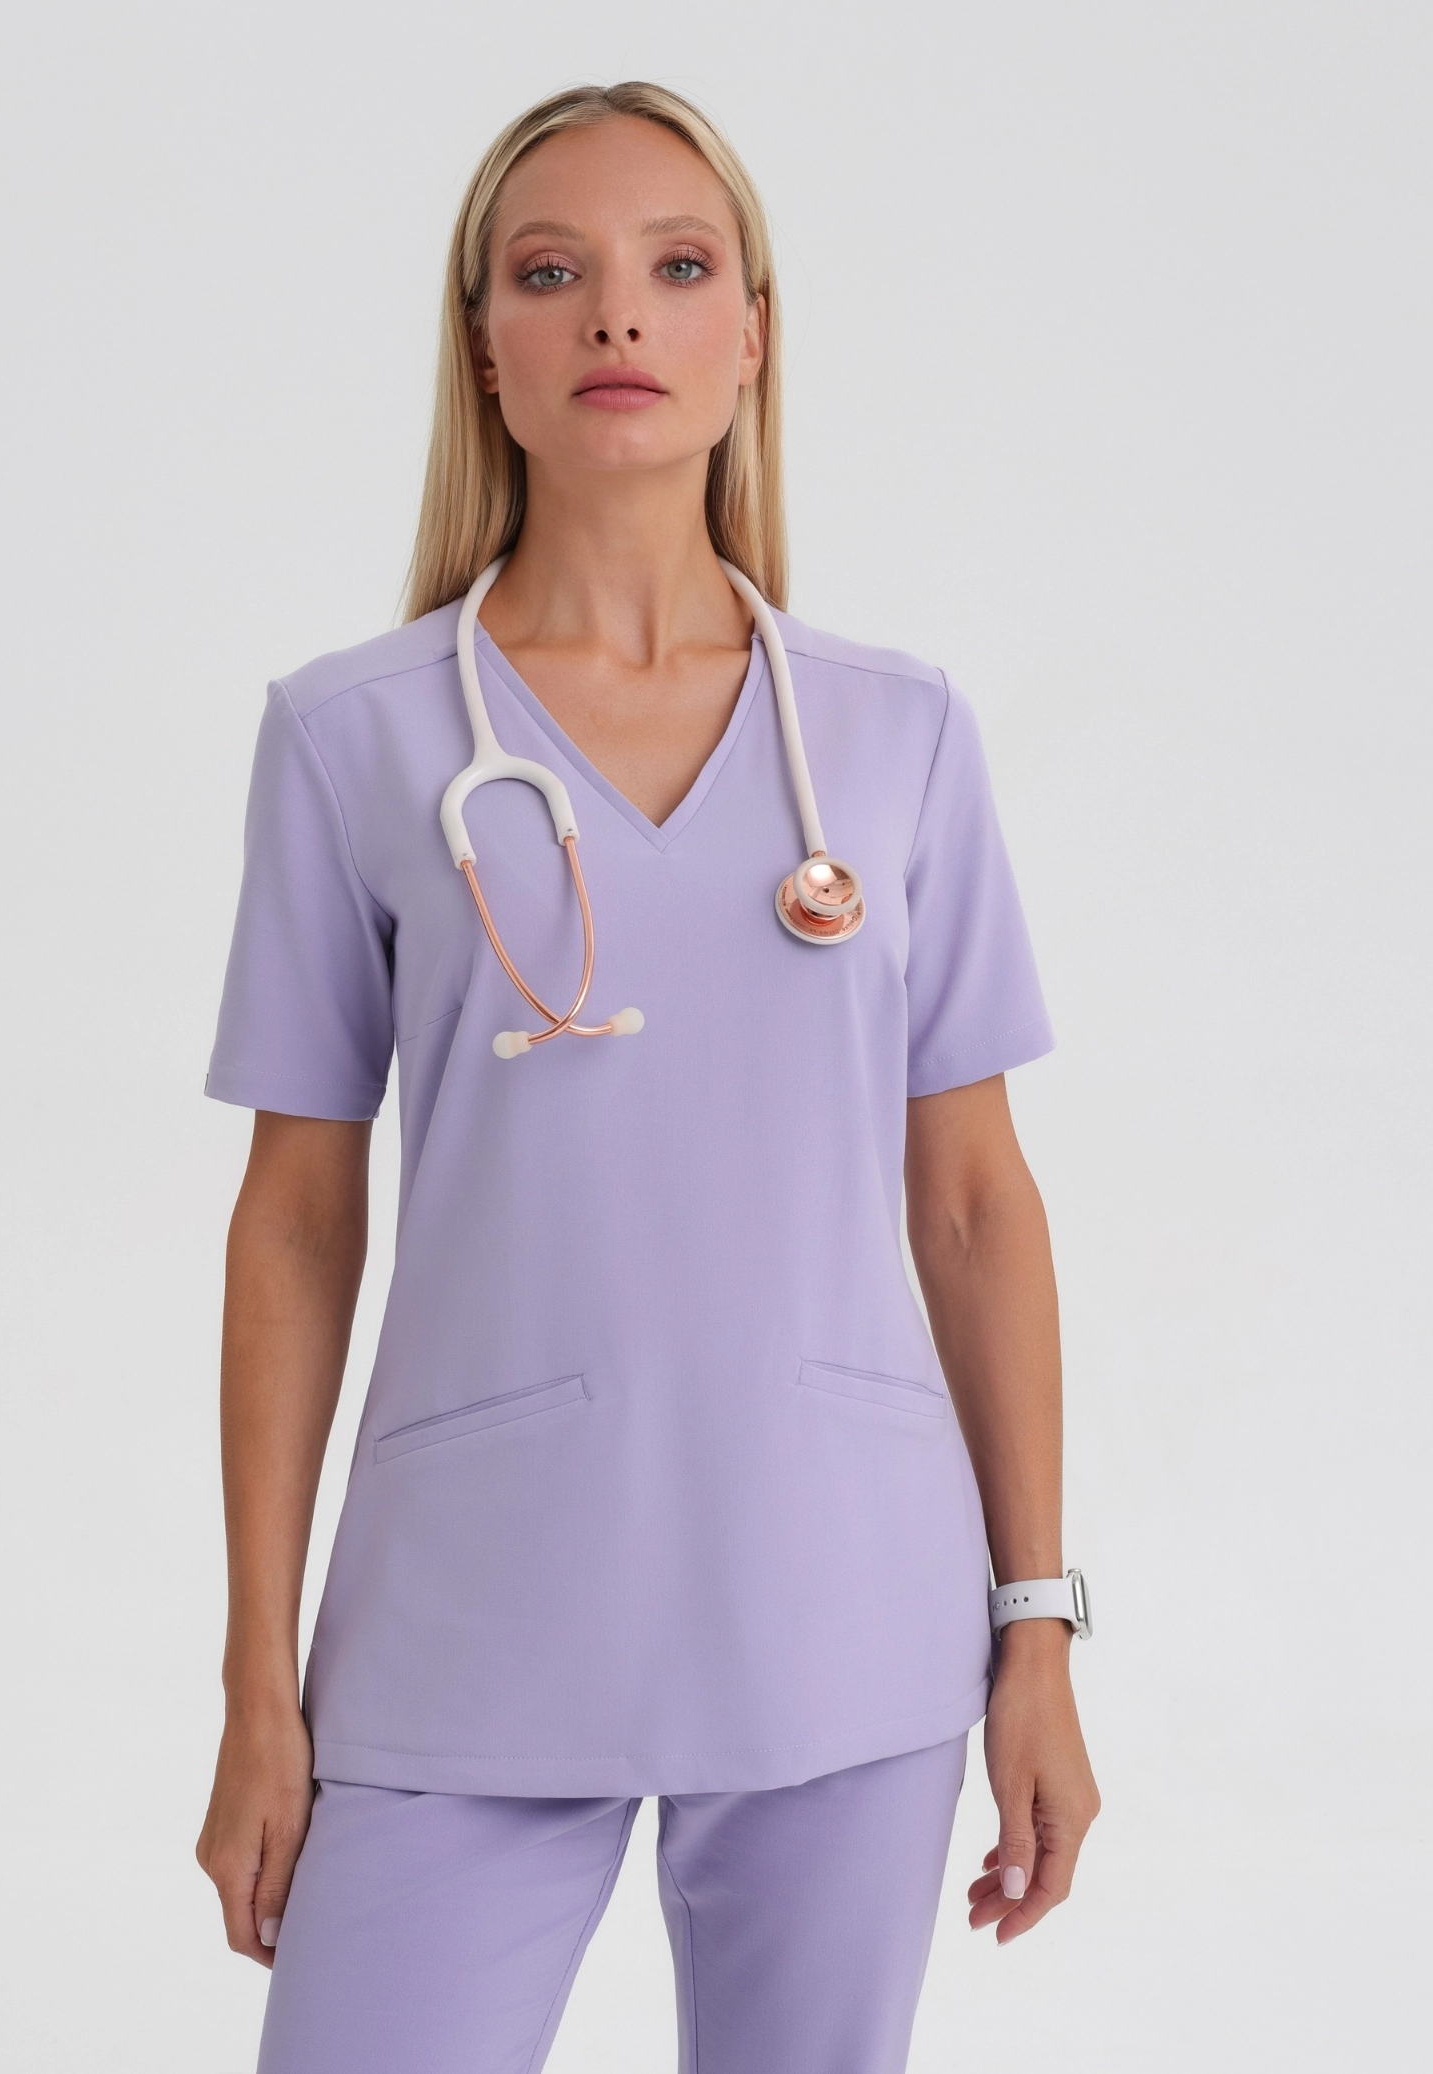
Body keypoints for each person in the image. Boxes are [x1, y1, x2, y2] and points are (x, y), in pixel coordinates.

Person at [195, 80, 1099, 2074]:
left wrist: (1033, 1623)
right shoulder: (354, 739)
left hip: (840, 1613)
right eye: (552, 274)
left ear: (751, 335)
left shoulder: (893, 736)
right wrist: (258, 1679)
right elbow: (297, 1220)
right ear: (483, 351)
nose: (616, 314)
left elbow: (972, 1202)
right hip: (469, 1621)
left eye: (677, 267)